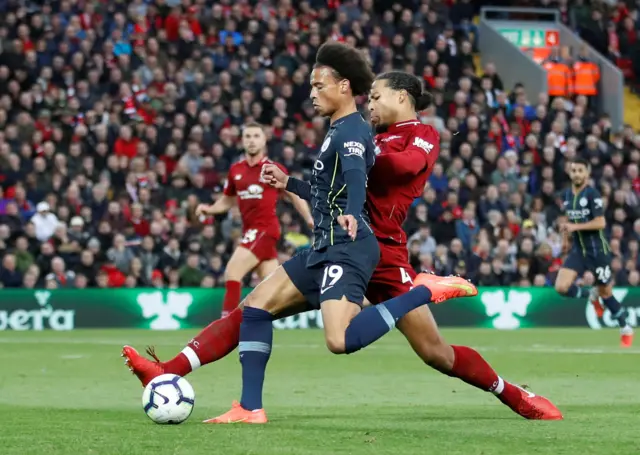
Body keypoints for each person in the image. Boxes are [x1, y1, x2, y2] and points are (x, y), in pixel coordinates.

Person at [123, 69, 562, 421]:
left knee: (437, 354)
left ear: (402, 99)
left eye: (377, 98)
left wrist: (360, 150)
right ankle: (181, 377)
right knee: (255, 307)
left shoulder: (420, 134)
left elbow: (405, 167)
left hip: (383, 253)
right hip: (339, 242)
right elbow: (331, 185)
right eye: (367, 99)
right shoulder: (362, 136)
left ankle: (514, 395)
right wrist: (296, 180)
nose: (370, 104)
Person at [193, 123, 313, 318]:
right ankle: (310, 303)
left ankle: (225, 327)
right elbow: (228, 200)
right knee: (273, 288)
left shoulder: (273, 168)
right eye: (247, 136)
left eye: (256, 136)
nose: (251, 140)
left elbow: (293, 194)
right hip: (251, 231)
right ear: (242, 140)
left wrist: (308, 219)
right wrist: (209, 210)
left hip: (265, 229)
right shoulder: (235, 170)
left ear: (264, 140)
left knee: (232, 272)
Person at [555, 157, 633, 348]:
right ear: (570, 173)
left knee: (606, 292)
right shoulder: (566, 195)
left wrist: (575, 227)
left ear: (587, 174)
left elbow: (601, 222)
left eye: (581, 170)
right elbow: (567, 222)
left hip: (597, 250)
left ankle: (625, 327)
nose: (577, 174)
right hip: (578, 251)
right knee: (561, 287)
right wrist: (565, 240)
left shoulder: (592, 194)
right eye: (574, 171)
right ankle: (590, 293)